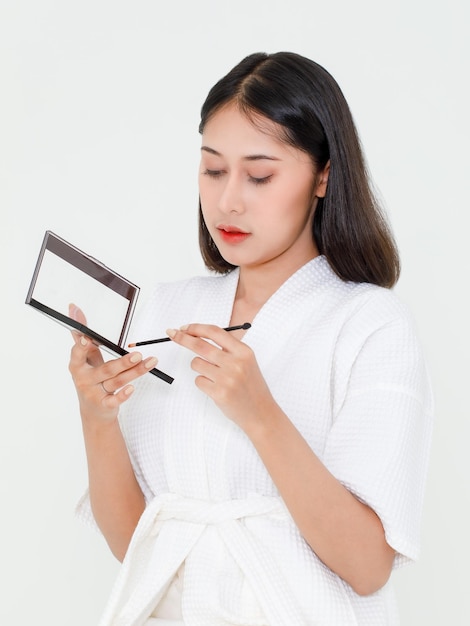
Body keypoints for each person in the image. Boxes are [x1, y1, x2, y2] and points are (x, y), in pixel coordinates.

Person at [69, 51, 433, 626]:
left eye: (259, 175)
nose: (228, 200)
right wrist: (97, 416)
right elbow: (135, 546)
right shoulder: (165, 310)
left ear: (323, 176)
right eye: (213, 170)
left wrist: (260, 413)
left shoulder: (370, 325)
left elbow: (367, 567)